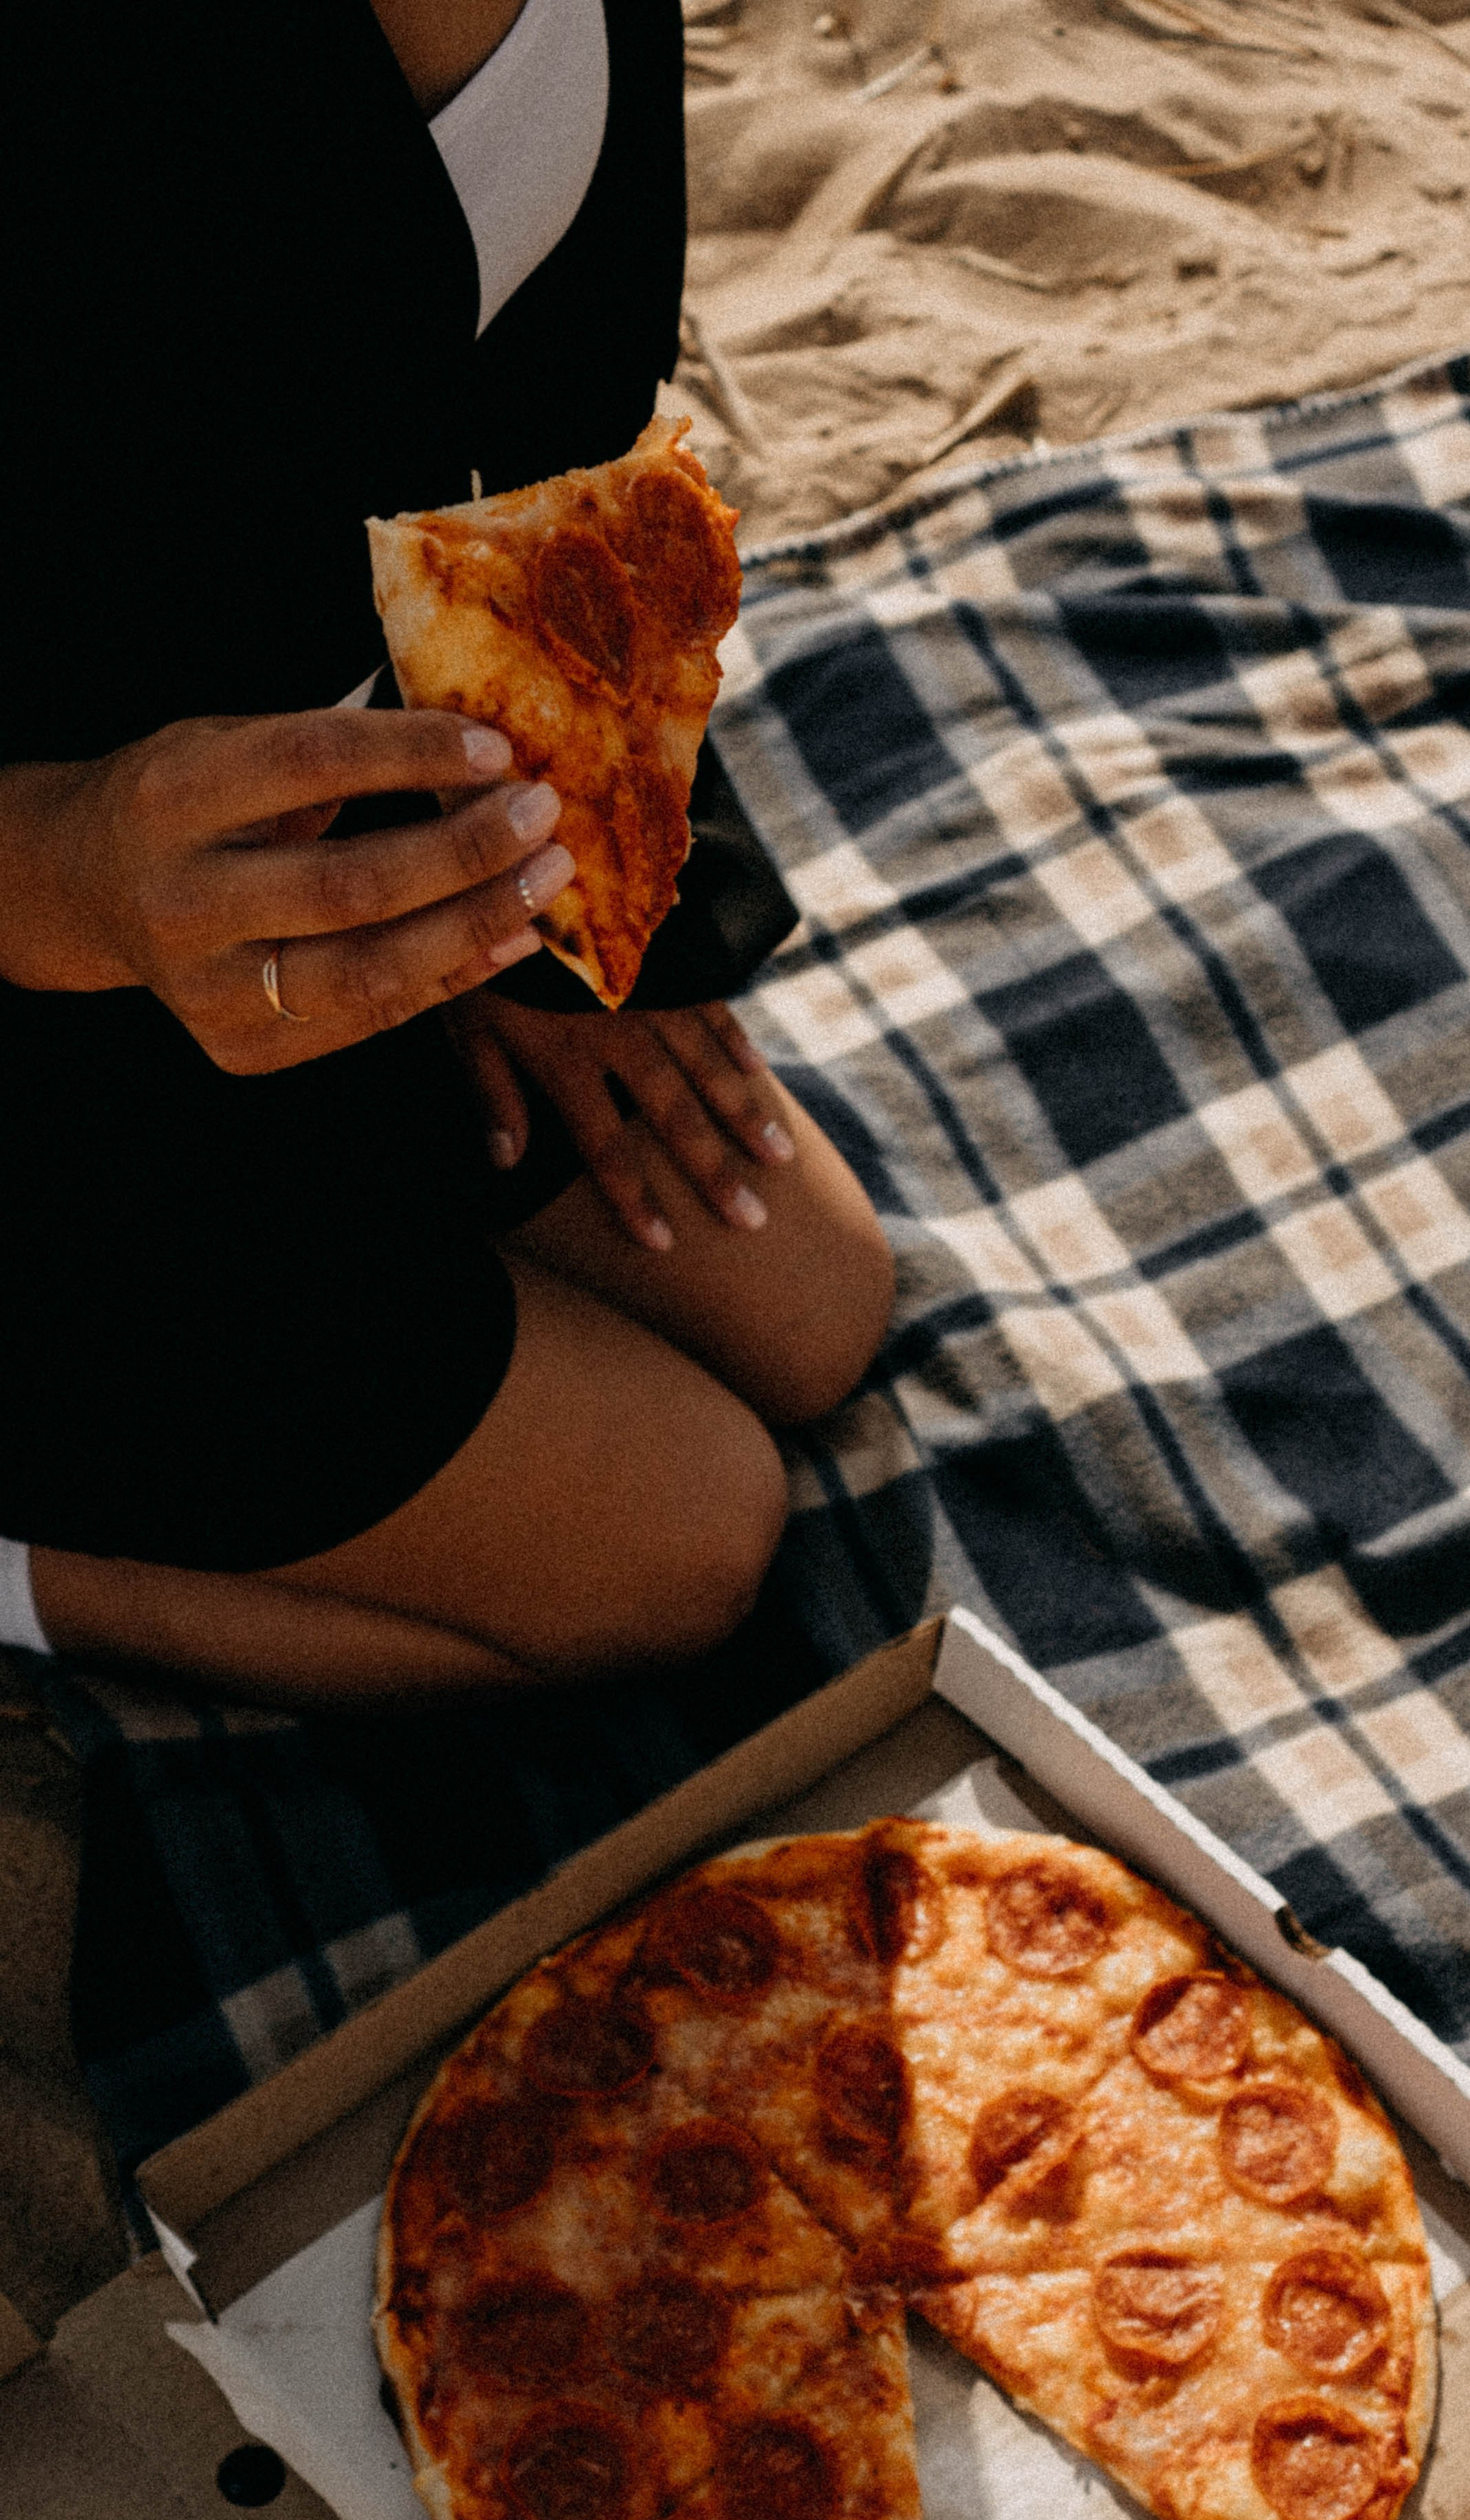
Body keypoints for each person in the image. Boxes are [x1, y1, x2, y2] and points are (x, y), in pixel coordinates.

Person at [0, 0, 894, 1707]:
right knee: (681, 1540)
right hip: (46, 976)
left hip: (315, 875)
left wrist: (558, 907)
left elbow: (551, 411)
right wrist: (69, 869)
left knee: (808, 1305)